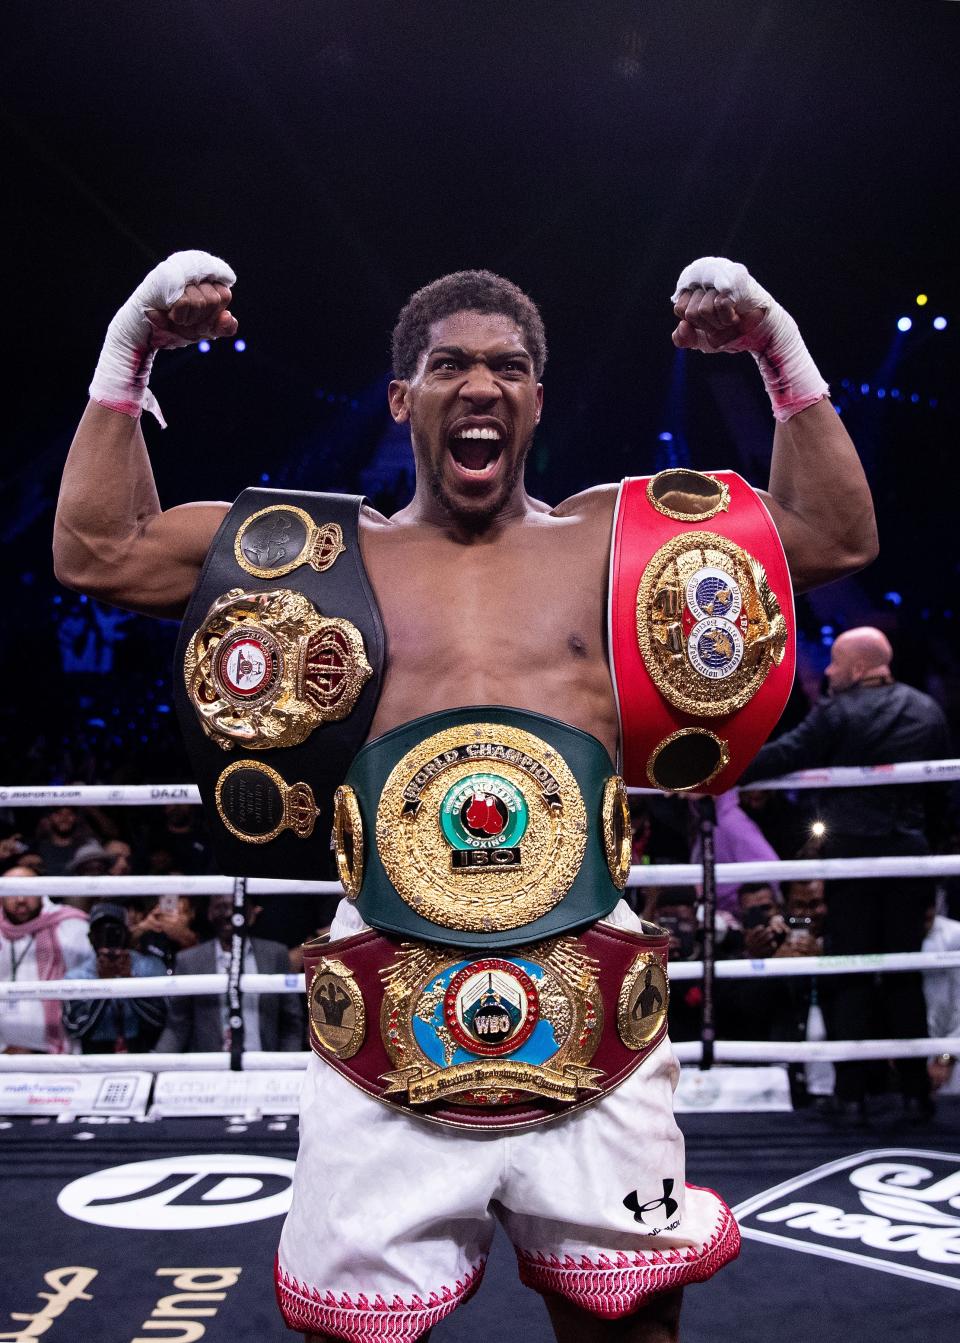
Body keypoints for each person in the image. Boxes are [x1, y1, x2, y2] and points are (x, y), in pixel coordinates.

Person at [53, 250, 876, 1342]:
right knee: (353, 1330)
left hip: (596, 1003)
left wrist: (778, 346)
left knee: (633, 1327)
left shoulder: (612, 541)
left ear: (537, 398)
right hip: (383, 1005)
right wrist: (131, 344)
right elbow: (97, 549)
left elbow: (834, 536)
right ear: (404, 399)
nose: (480, 385)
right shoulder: (314, 556)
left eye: (509, 366)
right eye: (449, 365)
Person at [741, 627, 951, 1118]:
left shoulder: (840, 712)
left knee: (851, 970)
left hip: (854, 858)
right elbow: (940, 798)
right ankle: (917, 1092)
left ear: (857, 668)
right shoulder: (927, 710)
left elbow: (787, 754)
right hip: (909, 857)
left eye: (835, 663)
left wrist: (719, 769)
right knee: (903, 972)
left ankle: (852, 1094)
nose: (830, 672)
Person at [154, 894, 303, 1053]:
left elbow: (291, 1022)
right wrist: (157, 1066)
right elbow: (177, 1026)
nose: (228, 913)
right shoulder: (189, 961)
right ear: (209, 913)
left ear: (252, 913)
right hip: (210, 1070)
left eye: (235, 906)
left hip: (264, 1066)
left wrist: (286, 1065)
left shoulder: (274, 955)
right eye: (220, 907)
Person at [0, 866, 89, 1055]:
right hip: (4, 1053)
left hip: (59, 1051)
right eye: (12, 893)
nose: (21, 900)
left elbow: (90, 984)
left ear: (42, 891)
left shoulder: (71, 925)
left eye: (28, 892)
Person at [62, 902, 167, 1053]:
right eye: (100, 933)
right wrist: (103, 989)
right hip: (96, 1055)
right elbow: (76, 1030)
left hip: (142, 1050)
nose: (108, 939)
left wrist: (130, 984)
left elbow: (162, 1022)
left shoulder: (150, 967)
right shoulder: (76, 978)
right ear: (91, 938)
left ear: (127, 934)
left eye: (115, 932)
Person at [922, 898, 960, 1097]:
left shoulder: (954, 935)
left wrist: (946, 1056)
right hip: (904, 1049)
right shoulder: (887, 936)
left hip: (952, 1048)